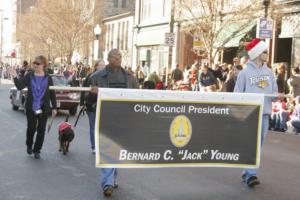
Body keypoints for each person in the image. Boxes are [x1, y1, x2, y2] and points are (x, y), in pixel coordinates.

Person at [90, 49, 138, 197]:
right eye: (115, 57)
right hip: (104, 117)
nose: (118, 59)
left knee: (116, 150)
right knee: (107, 149)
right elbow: (88, 100)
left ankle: (112, 177)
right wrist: (94, 94)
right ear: (109, 59)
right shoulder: (96, 77)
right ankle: (108, 183)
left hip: (123, 119)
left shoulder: (130, 78)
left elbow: (138, 98)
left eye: (120, 56)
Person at [234, 38, 278, 187]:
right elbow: (237, 94)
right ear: (258, 53)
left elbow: (274, 93)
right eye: (265, 51)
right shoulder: (244, 73)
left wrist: (277, 96)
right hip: (250, 114)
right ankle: (251, 174)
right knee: (252, 144)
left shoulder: (270, 73)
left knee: (258, 145)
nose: (267, 54)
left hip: (264, 114)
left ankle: (247, 171)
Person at [12, 55, 57, 159]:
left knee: (41, 130)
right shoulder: (29, 76)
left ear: (44, 65)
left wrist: (54, 107)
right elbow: (19, 86)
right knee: (31, 128)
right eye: (34, 63)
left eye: (38, 64)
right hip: (31, 107)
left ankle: (37, 150)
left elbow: (52, 93)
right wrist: (14, 76)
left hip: (44, 107)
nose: (35, 65)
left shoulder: (48, 77)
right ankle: (29, 144)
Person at [80, 59, 106, 154]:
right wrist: (83, 103)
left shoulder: (105, 77)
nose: (103, 67)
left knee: (101, 127)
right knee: (93, 126)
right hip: (91, 105)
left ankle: (100, 145)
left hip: (102, 105)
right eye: (101, 65)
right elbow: (84, 90)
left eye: (104, 65)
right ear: (96, 66)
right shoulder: (91, 76)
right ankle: (94, 146)